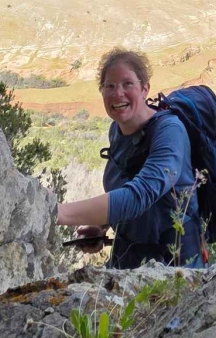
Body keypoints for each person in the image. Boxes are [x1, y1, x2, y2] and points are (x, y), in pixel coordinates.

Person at [55, 48, 206, 268]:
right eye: (110, 86)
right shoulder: (117, 130)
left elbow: (140, 195)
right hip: (127, 255)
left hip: (174, 265)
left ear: (145, 89)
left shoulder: (169, 132)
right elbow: (126, 183)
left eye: (127, 84)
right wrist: (103, 225)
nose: (118, 93)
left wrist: (56, 212)